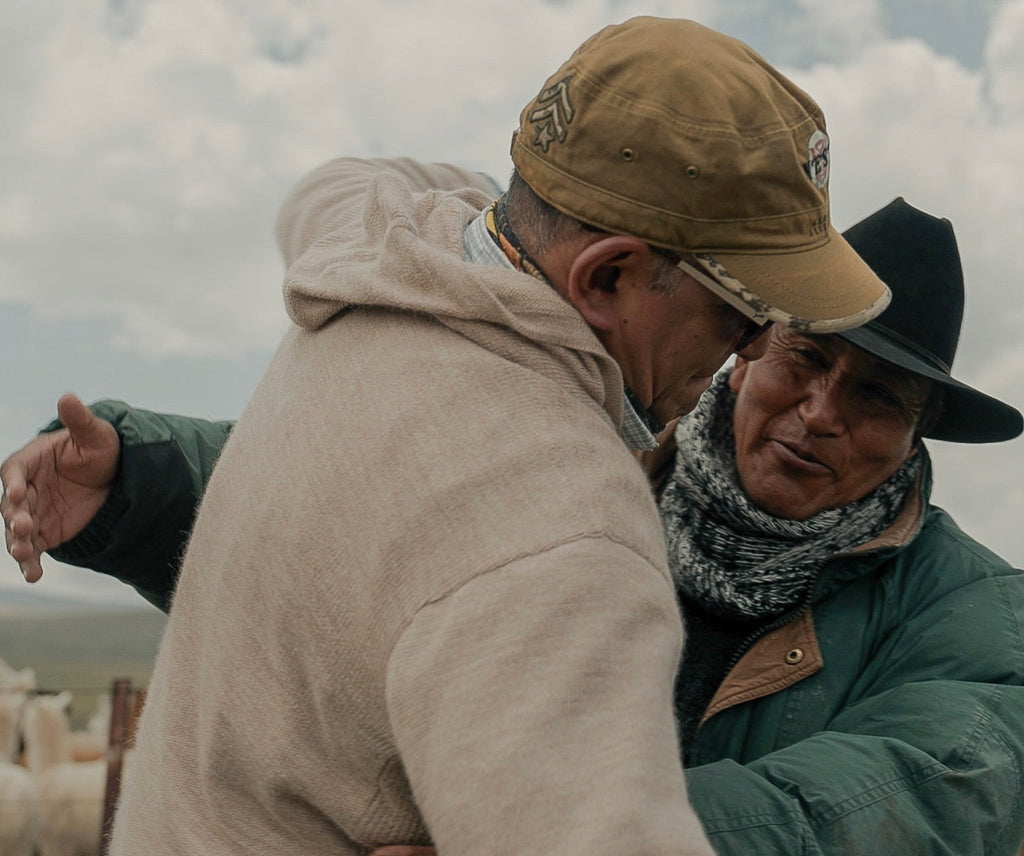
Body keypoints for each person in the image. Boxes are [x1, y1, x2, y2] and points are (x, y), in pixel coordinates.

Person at [3, 16, 894, 856]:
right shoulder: (560, 530)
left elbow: (336, 185)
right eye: (743, 316)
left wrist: (509, 216)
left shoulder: (373, 250)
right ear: (612, 275)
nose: (744, 354)